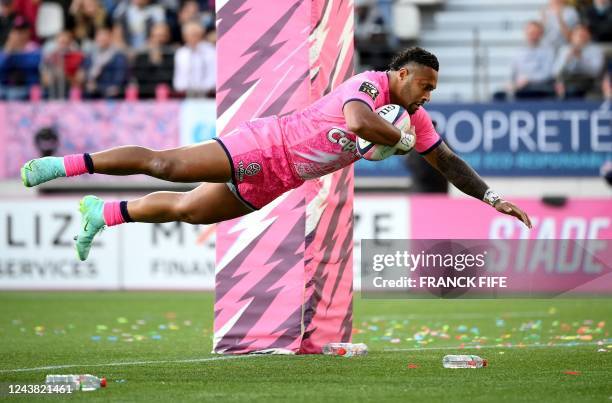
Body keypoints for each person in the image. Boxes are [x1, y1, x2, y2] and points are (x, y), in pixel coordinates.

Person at [20, 47, 532, 261]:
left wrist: (490, 196)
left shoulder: (413, 118)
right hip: (266, 145)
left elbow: (446, 161)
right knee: (165, 165)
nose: (428, 96)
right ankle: (61, 166)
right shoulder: (371, 84)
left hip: (279, 178)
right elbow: (356, 122)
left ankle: (101, 213)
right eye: (425, 85)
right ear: (402, 74)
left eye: (433, 90)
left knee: (186, 209)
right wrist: (395, 141)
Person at [507, 21, 556, 99]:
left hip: (541, 89)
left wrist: (528, 80)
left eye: (534, 33)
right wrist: (511, 83)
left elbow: (548, 74)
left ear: (541, 34)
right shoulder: (518, 52)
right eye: (529, 33)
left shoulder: (548, 51)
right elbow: (512, 73)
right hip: (521, 89)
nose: (532, 36)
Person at [553, 24, 605, 98]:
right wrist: (566, 60)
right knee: (556, 86)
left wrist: (580, 58)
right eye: (578, 35)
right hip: (567, 80)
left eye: (583, 35)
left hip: (587, 80)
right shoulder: (564, 50)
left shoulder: (596, 50)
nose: (581, 38)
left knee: (573, 89)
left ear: (589, 36)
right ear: (572, 37)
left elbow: (595, 71)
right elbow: (555, 72)